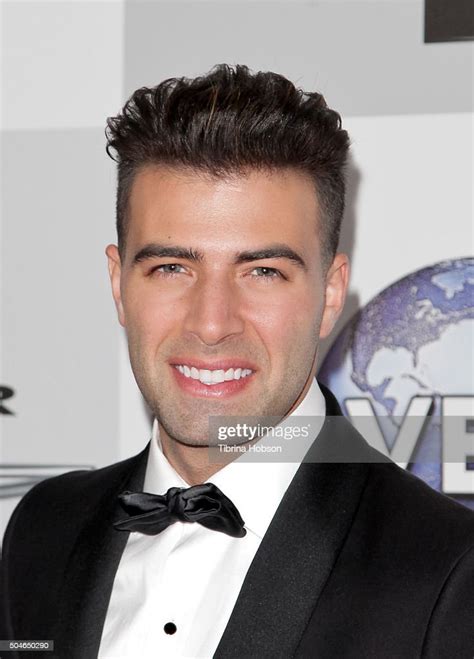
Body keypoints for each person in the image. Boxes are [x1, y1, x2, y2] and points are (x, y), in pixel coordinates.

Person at [1, 64, 474, 659]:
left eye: (262, 272)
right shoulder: (43, 530)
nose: (212, 322)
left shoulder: (448, 573)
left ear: (329, 296)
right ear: (120, 286)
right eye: (171, 268)